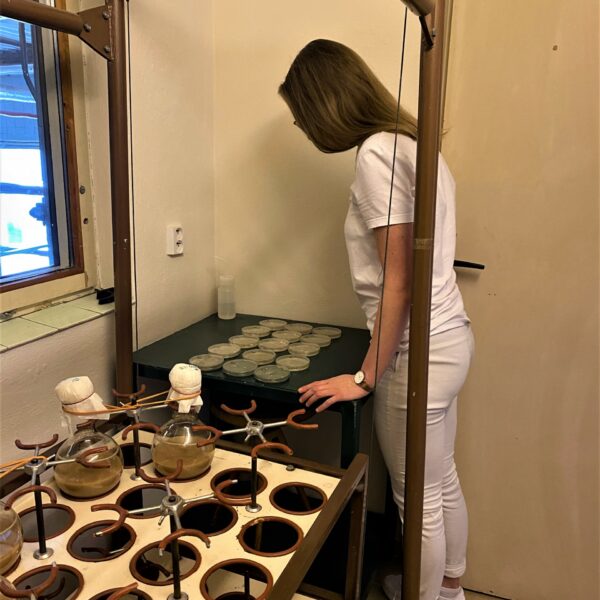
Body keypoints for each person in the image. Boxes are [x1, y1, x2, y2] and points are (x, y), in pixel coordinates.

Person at [279, 39, 474, 600]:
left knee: (418, 499)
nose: (301, 126)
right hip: (452, 337)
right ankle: (450, 589)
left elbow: (399, 281)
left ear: (326, 103)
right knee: (441, 478)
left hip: (419, 351)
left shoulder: (376, 154)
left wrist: (364, 377)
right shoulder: (413, 144)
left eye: (301, 113)